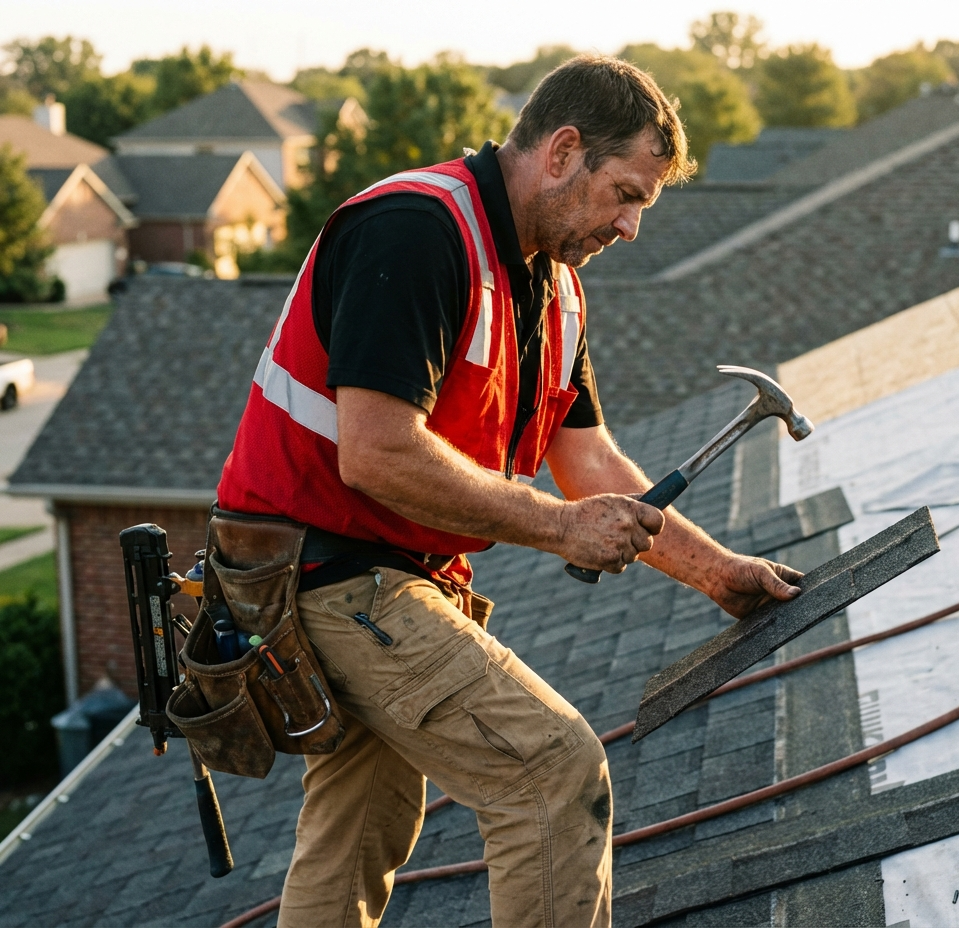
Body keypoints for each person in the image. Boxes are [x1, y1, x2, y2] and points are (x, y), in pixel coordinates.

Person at [216, 54, 802, 928]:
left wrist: (719, 573)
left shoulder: (554, 289)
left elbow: (590, 463)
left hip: (388, 579)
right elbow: (374, 454)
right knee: (550, 767)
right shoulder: (416, 229)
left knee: (363, 821)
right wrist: (559, 529)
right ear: (562, 151)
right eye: (627, 195)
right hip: (317, 569)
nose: (633, 226)